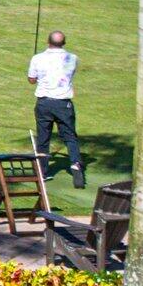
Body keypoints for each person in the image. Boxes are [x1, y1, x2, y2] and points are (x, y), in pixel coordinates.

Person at [28, 29, 83, 187]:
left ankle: (43, 173)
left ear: (48, 42)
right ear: (64, 43)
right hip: (63, 103)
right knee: (70, 136)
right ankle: (75, 164)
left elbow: (31, 80)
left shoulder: (38, 58)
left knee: (43, 138)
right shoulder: (72, 58)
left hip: (44, 103)